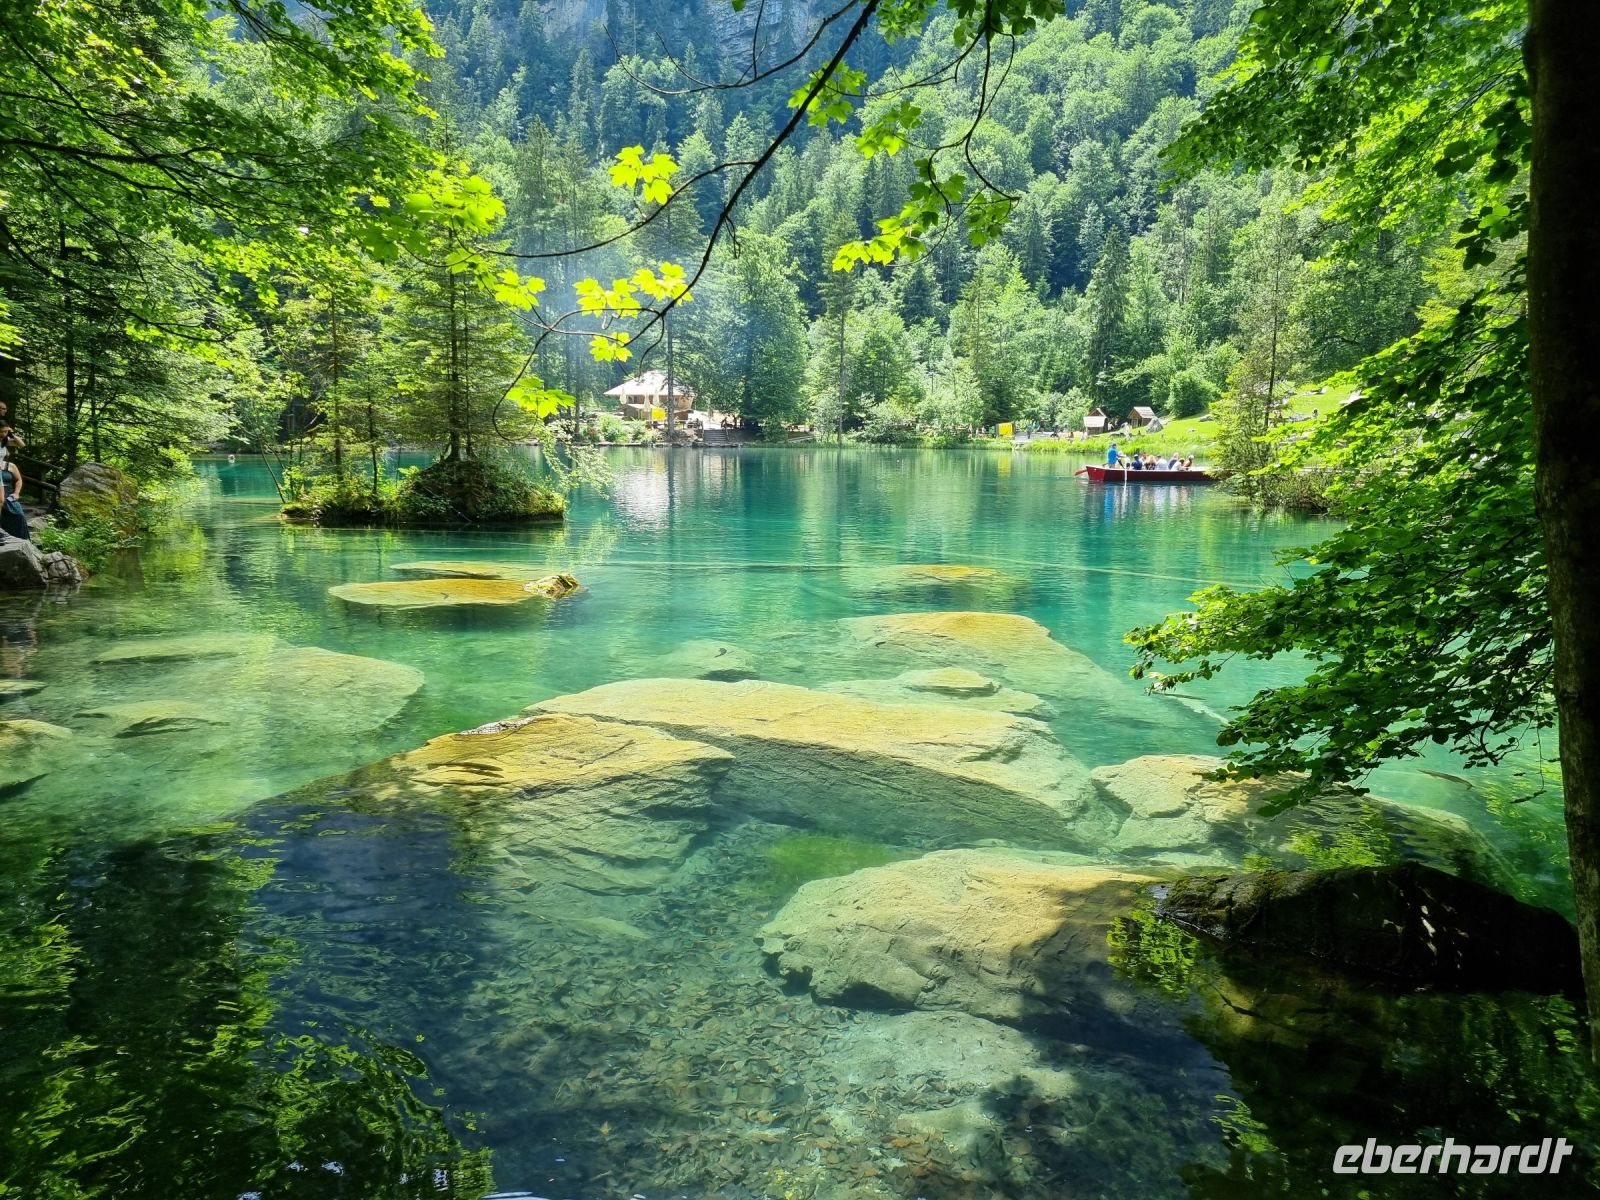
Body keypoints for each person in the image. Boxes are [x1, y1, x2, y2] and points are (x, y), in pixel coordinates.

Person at [1, 439, 29, 541]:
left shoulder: (11, 466)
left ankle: (23, 542)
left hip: (9, 496)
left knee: (19, 515)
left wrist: (16, 493)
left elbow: (18, 480)